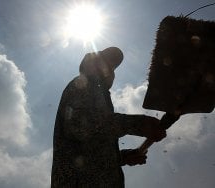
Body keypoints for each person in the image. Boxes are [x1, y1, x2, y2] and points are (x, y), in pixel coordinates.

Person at [51, 47, 166, 188]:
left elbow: (93, 151)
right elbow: (81, 126)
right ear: (90, 64)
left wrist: (122, 157)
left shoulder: (99, 95)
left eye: (112, 66)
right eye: (105, 62)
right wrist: (137, 124)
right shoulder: (81, 85)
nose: (109, 68)